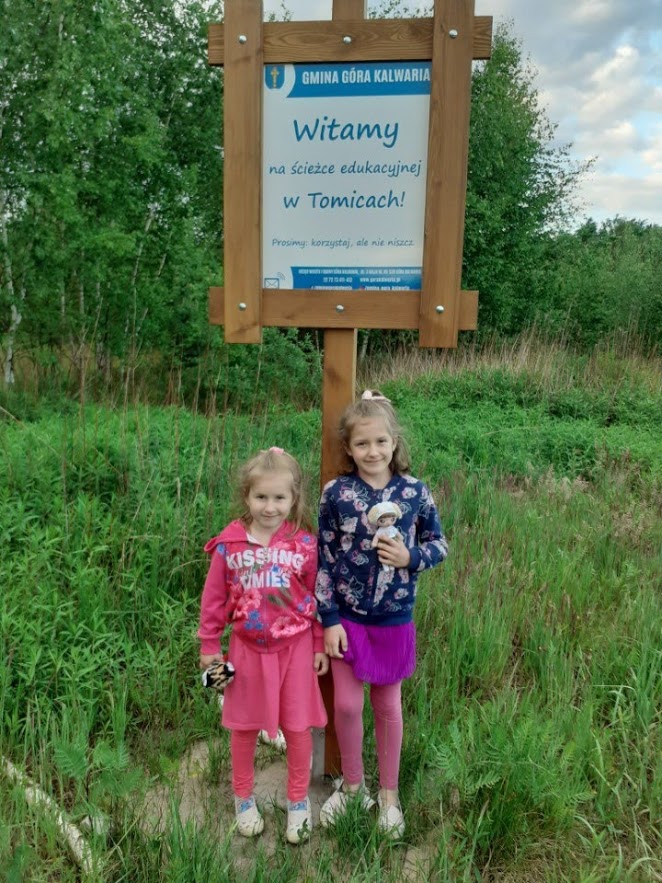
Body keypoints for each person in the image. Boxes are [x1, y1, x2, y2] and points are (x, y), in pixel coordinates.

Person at [316, 390, 448, 838]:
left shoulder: (414, 492)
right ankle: (354, 787)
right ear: (348, 448)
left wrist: (411, 557)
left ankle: (389, 795)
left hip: (394, 618)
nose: (372, 451)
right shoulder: (336, 494)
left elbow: (439, 544)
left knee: (387, 705)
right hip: (347, 619)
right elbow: (323, 558)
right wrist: (329, 618)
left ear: (394, 442)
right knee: (347, 704)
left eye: (380, 442)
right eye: (362, 443)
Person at [198, 447, 328, 844]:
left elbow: (316, 596)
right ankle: (243, 797)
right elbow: (213, 599)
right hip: (245, 651)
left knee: (298, 726)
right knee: (243, 726)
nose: (270, 507)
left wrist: (318, 643)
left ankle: (298, 800)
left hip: (296, 649)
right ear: (247, 496)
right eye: (261, 497)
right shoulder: (229, 546)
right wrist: (209, 645)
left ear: (293, 498)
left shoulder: (304, 545)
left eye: (279, 498)